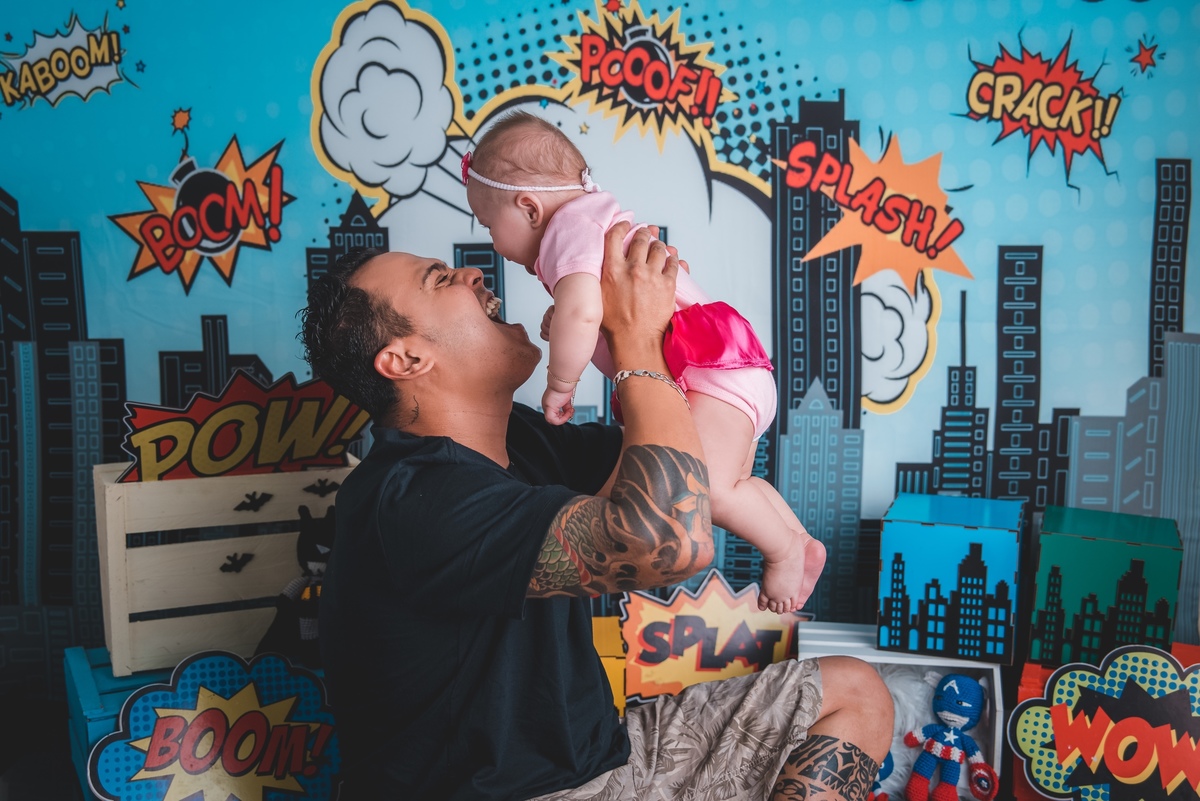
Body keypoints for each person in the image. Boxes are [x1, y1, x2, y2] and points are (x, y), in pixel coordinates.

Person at [300, 225, 893, 800]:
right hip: (512, 795)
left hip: (606, 758)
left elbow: (694, 467)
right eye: (439, 279)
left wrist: (665, 319)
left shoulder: (521, 439)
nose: (472, 273)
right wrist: (636, 341)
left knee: (855, 694)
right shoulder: (411, 498)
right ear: (405, 359)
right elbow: (671, 539)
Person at [462, 110, 818, 614]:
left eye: (489, 225)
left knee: (706, 490)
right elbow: (593, 306)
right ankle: (799, 539)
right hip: (725, 368)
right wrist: (564, 315)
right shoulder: (592, 219)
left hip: (707, 375)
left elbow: (586, 312)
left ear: (529, 208)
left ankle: (783, 552)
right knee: (735, 484)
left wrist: (561, 383)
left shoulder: (566, 230)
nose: (493, 242)